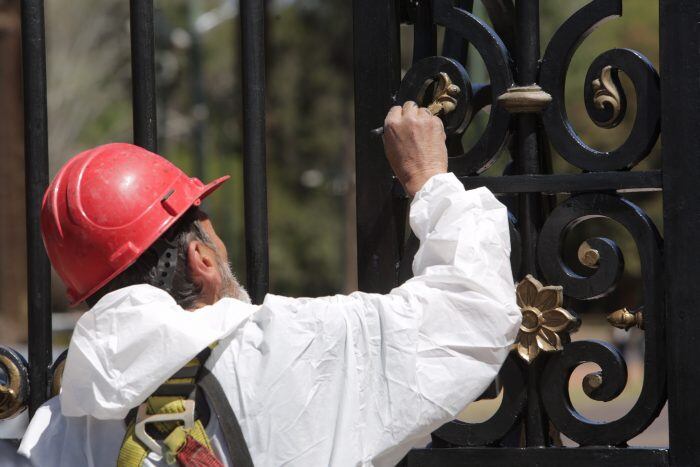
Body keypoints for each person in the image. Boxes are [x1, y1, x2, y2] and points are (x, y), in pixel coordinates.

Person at [17, 102, 521, 466]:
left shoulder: (54, 433)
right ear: (201, 259)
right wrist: (429, 180)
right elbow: (471, 311)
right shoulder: (296, 346)